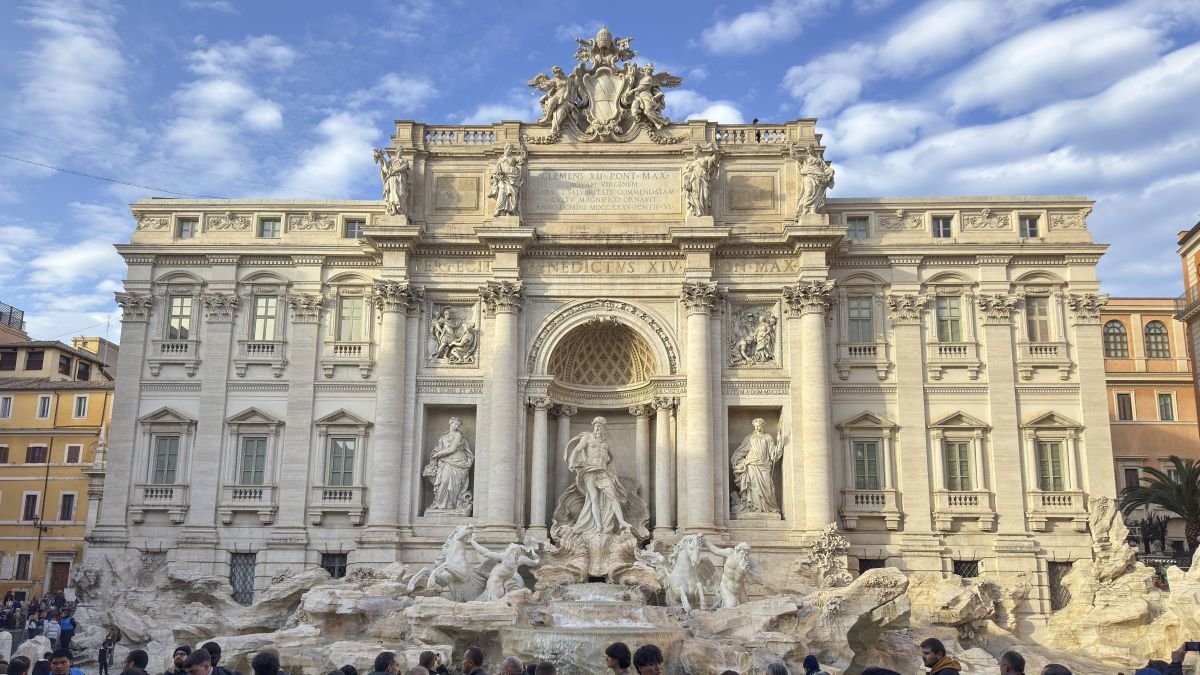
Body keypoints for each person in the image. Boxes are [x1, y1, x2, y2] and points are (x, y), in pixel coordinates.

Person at [564, 417, 635, 534]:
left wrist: (610, 468)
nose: (598, 428)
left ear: (603, 428)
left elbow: (612, 457)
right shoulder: (587, 438)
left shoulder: (607, 442)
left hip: (602, 471)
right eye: (596, 425)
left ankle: (621, 521)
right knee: (593, 498)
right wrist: (572, 462)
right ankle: (598, 526)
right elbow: (577, 450)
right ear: (593, 426)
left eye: (600, 426)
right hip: (589, 471)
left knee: (613, 496)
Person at [731, 418, 783, 514]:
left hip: (764, 465)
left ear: (763, 426)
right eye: (755, 426)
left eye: (759, 426)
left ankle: (766, 507)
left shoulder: (768, 437)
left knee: (767, 487)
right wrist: (737, 460)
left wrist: (779, 443)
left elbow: (773, 454)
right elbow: (742, 450)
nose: (757, 428)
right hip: (752, 464)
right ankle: (754, 507)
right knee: (753, 486)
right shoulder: (750, 437)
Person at [423, 417, 475, 513]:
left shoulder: (458, 435)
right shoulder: (443, 437)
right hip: (445, 461)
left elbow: (453, 448)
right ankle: (439, 504)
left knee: (453, 483)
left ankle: (451, 505)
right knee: (444, 481)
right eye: (455, 424)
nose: (456, 426)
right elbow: (439, 448)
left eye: (458, 425)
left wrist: (439, 454)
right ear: (450, 423)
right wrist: (435, 454)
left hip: (457, 460)